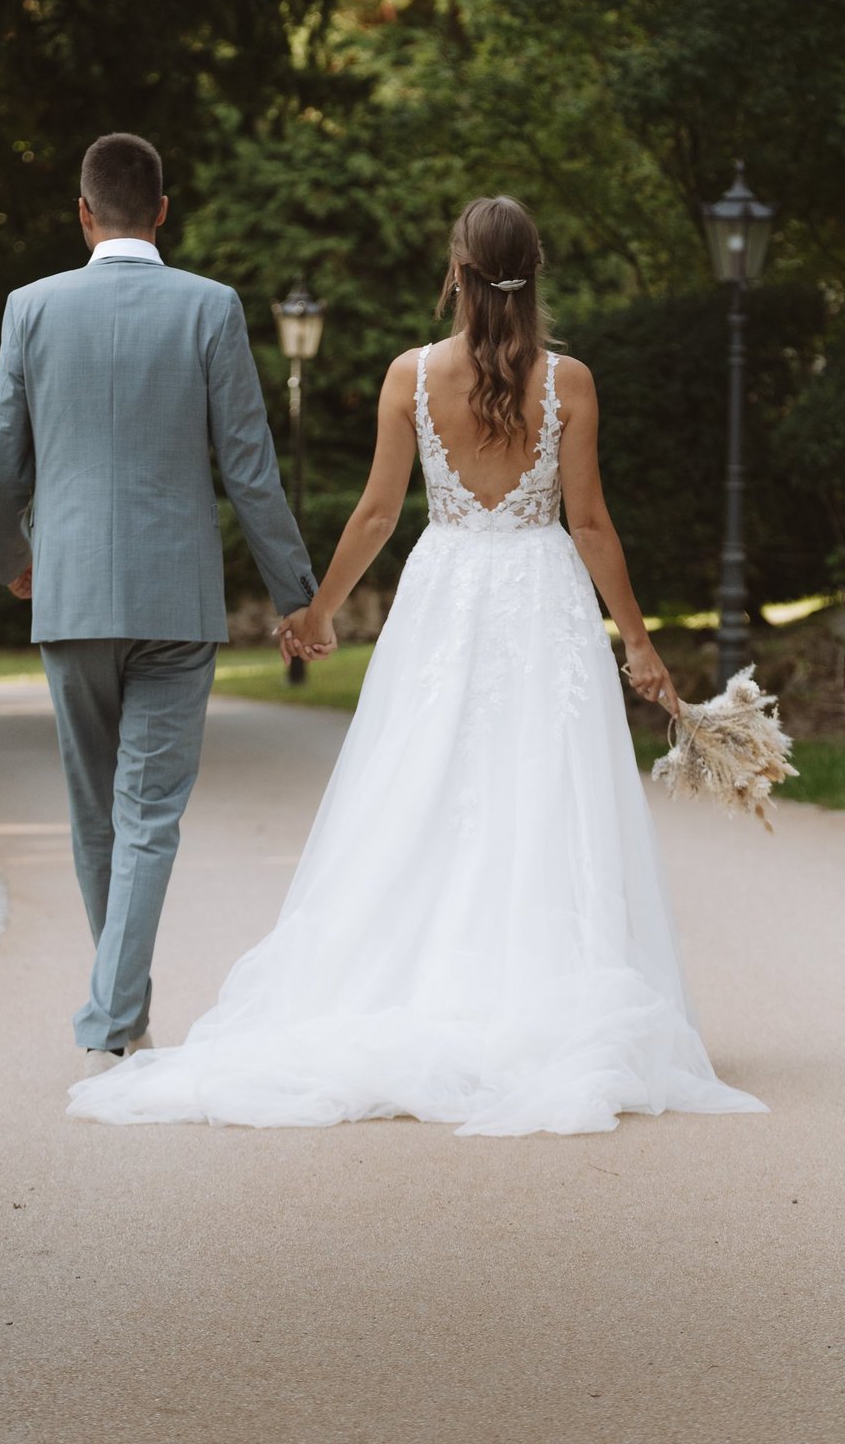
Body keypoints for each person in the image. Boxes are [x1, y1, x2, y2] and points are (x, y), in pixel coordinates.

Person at [67, 194, 767, 1136]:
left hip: (444, 598)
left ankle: (411, 985)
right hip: (542, 597)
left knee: (423, 783)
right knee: (545, 791)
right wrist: (636, 640)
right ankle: (549, 992)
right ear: (538, 270)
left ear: (456, 274)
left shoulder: (410, 374)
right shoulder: (573, 383)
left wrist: (315, 612)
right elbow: (591, 525)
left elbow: (374, 516)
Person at [0, 132, 321, 1079]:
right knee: (149, 815)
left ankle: (115, 1015)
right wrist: (300, 596)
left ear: (84, 213)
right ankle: (116, 1014)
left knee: (98, 815)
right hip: (177, 601)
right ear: (162, 210)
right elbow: (251, 473)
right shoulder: (211, 308)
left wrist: (16, 562)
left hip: (72, 593)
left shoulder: (30, 309)